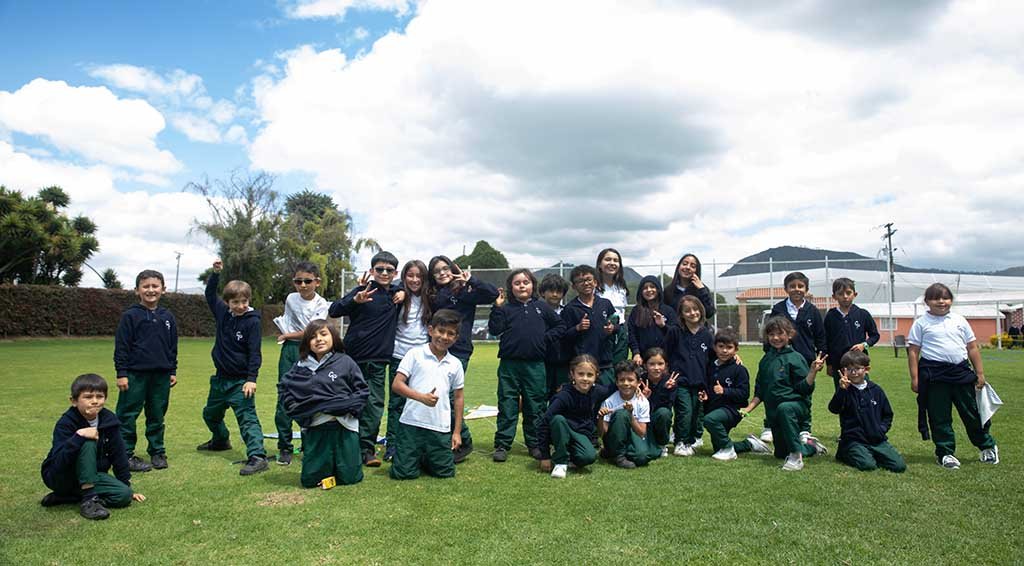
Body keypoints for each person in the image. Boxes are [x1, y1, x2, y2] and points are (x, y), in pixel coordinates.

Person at [908, 283, 999, 469]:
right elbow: (913, 352)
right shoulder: (921, 323)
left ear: (951, 300)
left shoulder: (960, 320)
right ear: (927, 302)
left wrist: (979, 373)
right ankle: (945, 453)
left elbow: (972, 347)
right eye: (936, 298)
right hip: (934, 376)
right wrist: (915, 378)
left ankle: (987, 446)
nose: (941, 302)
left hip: (961, 373)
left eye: (946, 298)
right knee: (939, 417)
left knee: (973, 413)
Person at [329, 251, 403, 468]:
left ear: (395, 273)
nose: (384, 273)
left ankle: (366, 450)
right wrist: (355, 299)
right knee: (347, 402)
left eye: (389, 270)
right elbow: (334, 310)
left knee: (373, 406)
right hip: (352, 358)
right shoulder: (362, 290)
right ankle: (342, 446)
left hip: (379, 361)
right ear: (372, 271)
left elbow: (411, 288)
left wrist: (402, 292)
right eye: (379, 269)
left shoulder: (397, 295)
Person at [40, 374, 146, 520]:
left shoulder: (110, 420)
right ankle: (89, 501)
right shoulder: (65, 423)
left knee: (123, 496)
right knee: (88, 441)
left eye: (100, 396)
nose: (95, 401)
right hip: (61, 475)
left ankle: (67, 497)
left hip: (92, 474)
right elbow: (59, 461)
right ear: (74, 401)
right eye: (88, 397)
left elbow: (119, 454)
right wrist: (78, 436)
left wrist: (126, 486)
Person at [197, 260, 268, 476]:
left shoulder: (253, 322)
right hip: (220, 380)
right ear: (227, 302)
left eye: (244, 301)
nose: (240, 306)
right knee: (210, 414)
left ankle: (258, 456)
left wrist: (251, 379)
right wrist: (216, 273)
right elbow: (210, 294)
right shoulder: (222, 313)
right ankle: (220, 440)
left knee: (247, 419)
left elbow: (255, 353)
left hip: (240, 382)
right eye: (235, 302)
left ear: (249, 300)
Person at [427, 255, 500, 463]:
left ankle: (464, 440)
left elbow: (493, 293)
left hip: (459, 350)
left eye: (445, 268)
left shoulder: (465, 290)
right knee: (439, 395)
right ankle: (449, 439)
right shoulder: (432, 294)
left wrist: (471, 280)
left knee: (450, 396)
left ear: (452, 269)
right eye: (436, 271)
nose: (442, 273)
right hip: (436, 349)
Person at [279, 320, 369, 487]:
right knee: (310, 480)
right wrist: (301, 411)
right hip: (316, 427)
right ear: (307, 342)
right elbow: (285, 390)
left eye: (323, 334)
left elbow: (362, 391)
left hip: (345, 426)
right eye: (313, 337)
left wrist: (344, 406)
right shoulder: (300, 366)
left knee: (350, 478)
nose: (319, 339)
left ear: (333, 337)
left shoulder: (346, 361)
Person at [488, 268, 565, 462]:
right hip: (509, 365)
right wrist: (496, 308)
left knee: (536, 406)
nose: (522, 285)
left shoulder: (541, 307)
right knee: (507, 404)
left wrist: (544, 339)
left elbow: (560, 326)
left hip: (535, 365)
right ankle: (503, 444)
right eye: (517, 283)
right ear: (510, 287)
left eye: (526, 282)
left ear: (533, 285)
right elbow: (494, 329)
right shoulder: (505, 308)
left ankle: (535, 444)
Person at [741, 316, 827, 471]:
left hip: (794, 408)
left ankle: (796, 457)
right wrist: (748, 409)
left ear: (790, 335)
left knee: (784, 408)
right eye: (771, 334)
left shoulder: (795, 358)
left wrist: (812, 372)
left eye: (780, 334)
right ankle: (812, 447)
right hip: (773, 413)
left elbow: (805, 389)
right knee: (780, 454)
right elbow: (760, 389)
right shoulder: (766, 360)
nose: (775, 338)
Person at [389, 309, 466, 480]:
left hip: (439, 427)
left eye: (450, 333)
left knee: (445, 473)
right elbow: (397, 384)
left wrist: (457, 432)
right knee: (403, 474)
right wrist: (421, 397)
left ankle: (425, 457)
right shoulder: (415, 354)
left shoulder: (455, 364)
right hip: (411, 424)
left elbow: (459, 398)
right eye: (440, 331)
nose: (444, 337)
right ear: (430, 330)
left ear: (456, 338)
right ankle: (414, 456)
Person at [113, 269, 177, 472]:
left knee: (157, 414)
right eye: (146, 286)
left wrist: (172, 370)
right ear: (137, 290)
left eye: (155, 286)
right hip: (134, 374)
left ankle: (157, 451)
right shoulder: (130, 316)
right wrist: (121, 373)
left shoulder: (168, 316)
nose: (151, 290)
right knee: (127, 414)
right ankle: (125, 454)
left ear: (163, 290)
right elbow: (122, 346)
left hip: (161, 375)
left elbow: (172, 346)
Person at [273, 261, 329, 465]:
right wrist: (288, 336)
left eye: (307, 281)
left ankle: (309, 445)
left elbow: (311, 331)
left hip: (310, 351)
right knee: (284, 397)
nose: (303, 285)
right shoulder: (290, 298)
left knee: (310, 397)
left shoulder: (321, 304)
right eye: (298, 281)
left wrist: (287, 334)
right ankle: (285, 447)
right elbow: (288, 320)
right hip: (289, 351)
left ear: (317, 282)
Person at [762, 271, 825, 443]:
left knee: (804, 391)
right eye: (792, 286)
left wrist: (822, 357)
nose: (796, 289)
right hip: (780, 358)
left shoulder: (812, 311)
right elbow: (771, 331)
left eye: (800, 286)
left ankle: (805, 429)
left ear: (806, 289)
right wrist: (769, 353)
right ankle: (770, 426)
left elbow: (820, 336)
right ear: (786, 289)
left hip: (805, 360)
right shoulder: (779, 309)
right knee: (774, 389)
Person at [535, 354, 616, 478]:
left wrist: (638, 386)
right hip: (561, 430)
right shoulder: (563, 396)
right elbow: (544, 422)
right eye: (581, 374)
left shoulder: (597, 391)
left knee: (589, 457)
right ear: (572, 374)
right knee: (558, 419)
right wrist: (544, 456)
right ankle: (561, 462)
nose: (585, 378)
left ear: (596, 376)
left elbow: (614, 388)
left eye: (589, 375)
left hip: (580, 434)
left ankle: (567, 455)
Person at [384, 260, 432, 462]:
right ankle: (392, 445)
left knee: (419, 401)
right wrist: (400, 291)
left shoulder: (431, 297)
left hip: (421, 358)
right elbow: (384, 288)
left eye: (418, 276)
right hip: (399, 355)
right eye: (410, 275)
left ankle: (416, 444)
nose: (414, 280)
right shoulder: (397, 295)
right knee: (397, 403)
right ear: (403, 277)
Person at [828, 350, 905, 472]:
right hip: (854, 440)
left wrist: (881, 430)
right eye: (849, 369)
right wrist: (841, 391)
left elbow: (887, 414)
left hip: (876, 439)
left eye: (858, 369)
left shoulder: (876, 390)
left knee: (899, 466)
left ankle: (871, 453)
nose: (854, 373)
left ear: (866, 369)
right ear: (843, 371)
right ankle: (845, 453)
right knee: (868, 465)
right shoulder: (844, 390)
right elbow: (833, 409)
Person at [700, 328, 767, 461]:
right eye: (721, 347)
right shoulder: (710, 367)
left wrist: (724, 391)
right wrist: (705, 396)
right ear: (714, 347)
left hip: (732, 410)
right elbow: (709, 388)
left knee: (709, 420)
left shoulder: (739, 370)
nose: (724, 351)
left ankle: (728, 449)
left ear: (736, 349)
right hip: (714, 408)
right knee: (717, 448)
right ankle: (749, 444)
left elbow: (743, 394)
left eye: (729, 347)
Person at [665, 295, 714, 456]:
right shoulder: (675, 331)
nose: (692, 313)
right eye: (687, 311)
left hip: (700, 383)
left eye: (695, 309)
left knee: (695, 414)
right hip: (681, 381)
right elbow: (666, 354)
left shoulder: (707, 334)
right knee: (684, 412)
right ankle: (680, 441)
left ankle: (690, 441)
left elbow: (713, 358)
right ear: (681, 314)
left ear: (701, 310)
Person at [561, 265, 617, 386]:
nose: (586, 283)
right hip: (583, 365)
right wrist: (577, 328)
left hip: (605, 363)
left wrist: (612, 328)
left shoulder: (605, 304)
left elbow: (617, 325)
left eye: (589, 279)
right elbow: (563, 337)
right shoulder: (570, 309)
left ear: (595, 282)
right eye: (580, 281)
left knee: (606, 398)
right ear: (574, 286)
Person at [597, 361, 661, 468]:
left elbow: (642, 432)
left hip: (633, 434)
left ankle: (612, 453)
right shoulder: (609, 401)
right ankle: (618, 455)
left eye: (630, 380)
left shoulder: (642, 401)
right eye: (622, 380)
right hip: (614, 436)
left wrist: (631, 415)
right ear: (616, 382)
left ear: (639, 382)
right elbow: (602, 434)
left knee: (643, 457)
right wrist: (601, 418)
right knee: (621, 414)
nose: (626, 383)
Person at [824, 278, 879, 390]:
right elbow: (826, 341)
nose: (845, 296)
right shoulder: (830, 316)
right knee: (843, 395)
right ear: (834, 296)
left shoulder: (862, 314)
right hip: (839, 365)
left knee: (862, 393)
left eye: (848, 293)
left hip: (859, 364)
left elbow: (875, 335)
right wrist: (829, 364)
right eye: (840, 294)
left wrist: (864, 345)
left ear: (855, 294)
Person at [628, 275, 677, 367]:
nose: (649, 290)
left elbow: (676, 334)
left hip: (665, 360)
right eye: (645, 288)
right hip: (643, 360)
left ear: (658, 289)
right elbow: (632, 334)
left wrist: (663, 326)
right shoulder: (636, 311)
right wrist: (636, 353)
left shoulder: (668, 311)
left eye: (652, 287)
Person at [638, 347, 678, 458]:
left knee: (663, 413)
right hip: (643, 419)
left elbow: (668, 405)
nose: (656, 368)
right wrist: (645, 398)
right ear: (645, 366)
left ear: (665, 365)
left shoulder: (670, 381)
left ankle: (662, 443)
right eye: (652, 364)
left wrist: (665, 389)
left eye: (660, 364)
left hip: (659, 417)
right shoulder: (640, 380)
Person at [595, 248, 630, 365]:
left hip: (620, 332)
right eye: (608, 259)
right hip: (601, 332)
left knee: (620, 369)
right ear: (600, 264)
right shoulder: (594, 287)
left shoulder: (622, 287)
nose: (612, 263)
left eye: (616, 260)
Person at [539, 273, 571, 397]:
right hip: (543, 363)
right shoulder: (537, 312)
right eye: (551, 291)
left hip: (564, 364)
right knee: (541, 396)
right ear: (543, 293)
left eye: (559, 291)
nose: (555, 294)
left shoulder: (568, 312)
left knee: (561, 397)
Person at [662, 253, 716, 319]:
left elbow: (709, 313)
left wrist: (702, 290)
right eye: (684, 264)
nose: (688, 267)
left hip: (697, 329)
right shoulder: (668, 290)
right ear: (679, 267)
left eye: (692, 266)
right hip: (676, 329)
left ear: (696, 271)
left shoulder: (701, 289)